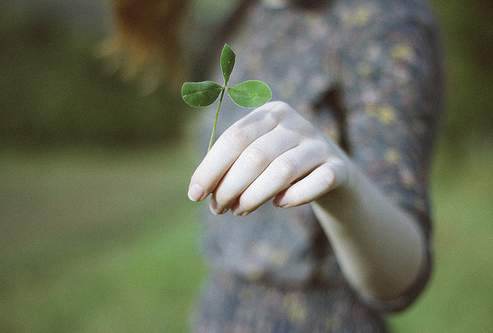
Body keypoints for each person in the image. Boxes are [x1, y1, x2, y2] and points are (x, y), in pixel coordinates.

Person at [186, 0, 443, 331]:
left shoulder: (386, 18)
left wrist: (342, 185)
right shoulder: (244, 15)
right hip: (217, 313)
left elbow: (403, 277)